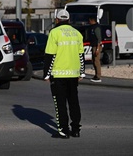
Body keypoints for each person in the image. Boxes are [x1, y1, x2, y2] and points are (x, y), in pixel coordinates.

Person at [43, 9, 85, 139]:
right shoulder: (77, 33)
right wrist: (82, 73)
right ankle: (76, 129)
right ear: (68, 19)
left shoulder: (54, 33)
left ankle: (63, 130)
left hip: (58, 74)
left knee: (60, 103)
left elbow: (50, 55)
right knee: (74, 102)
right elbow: (81, 55)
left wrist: (46, 74)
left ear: (56, 19)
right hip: (73, 74)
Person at [88, 15, 102, 82]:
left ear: (92, 20)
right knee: (93, 61)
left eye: (89, 20)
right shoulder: (92, 27)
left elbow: (99, 39)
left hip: (97, 46)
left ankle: (98, 76)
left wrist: (97, 49)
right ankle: (96, 75)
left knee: (96, 61)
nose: (89, 22)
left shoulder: (96, 28)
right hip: (93, 46)